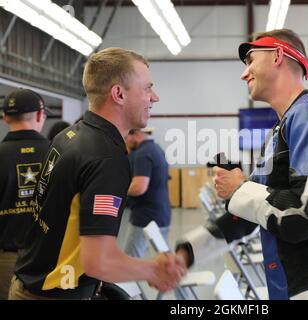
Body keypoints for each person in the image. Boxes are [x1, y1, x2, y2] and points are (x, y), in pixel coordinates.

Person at [176, 29, 308, 300]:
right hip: (299, 284)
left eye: (250, 60)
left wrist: (241, 187)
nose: (244, 73)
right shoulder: (282, 130)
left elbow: (302, 216)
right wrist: (188, 253)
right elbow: (250, 214)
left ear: (277, 55)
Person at [9, 48, 186, 300]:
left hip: (32, 281)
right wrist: (153, 270)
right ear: (119, 94)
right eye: (147, 88)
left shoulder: (69, 135)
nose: (154, 97)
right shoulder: (107, 159)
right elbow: (98, 263)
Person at [0, 89, 50, 300]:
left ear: (5, 117)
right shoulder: (58, 153)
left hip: (5, 261)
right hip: (48, 261)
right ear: (40, 115)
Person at [123, 127, 172, 258]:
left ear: (136, 134)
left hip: (145, 217)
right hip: (161, 213)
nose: (126, 142)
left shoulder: (142, 153)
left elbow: (139, 187)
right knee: (162, 260)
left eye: (126, 137)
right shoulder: (157, 149)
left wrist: (119, 191)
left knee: (131, 260)